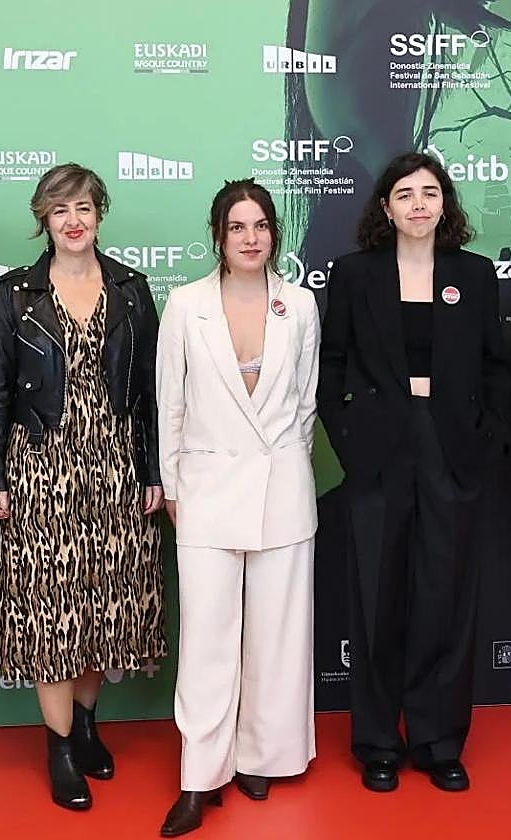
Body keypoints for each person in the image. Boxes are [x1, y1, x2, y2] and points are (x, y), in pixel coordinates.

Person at [0, 163, 166, 809]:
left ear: (99, 212)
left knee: (105, 604)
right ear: (44, 219)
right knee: (50, 609)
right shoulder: (15, 294)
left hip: (115, 466)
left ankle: (87, 726)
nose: (74, 219)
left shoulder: (133, 290)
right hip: (42, 467)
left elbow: (150, 396)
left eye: (84, 206)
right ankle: (59, 748)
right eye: (60, 209)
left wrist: (152, 472)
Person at [318, 152, 508, 793]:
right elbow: (331, 367)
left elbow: (496, 367)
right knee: (376, 599)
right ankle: (376, 742)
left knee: (445, 599)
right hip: (378, 455)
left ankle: (437, 741)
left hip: (452, 452)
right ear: (386, 207)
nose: (419, 204)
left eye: (431, 192)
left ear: (445, 203)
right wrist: (350, 443)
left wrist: (485, 441)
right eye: (406, 194)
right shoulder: (353, 276)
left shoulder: (476, 276)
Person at [156, 179, 319, 836]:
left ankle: (259, 755)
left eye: (260, 226)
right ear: (218, 236)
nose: (251, 238)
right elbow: (170, 403)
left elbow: (305, 405)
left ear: (273, 233)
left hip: (282, 488)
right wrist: (173, 485)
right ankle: (200, 776)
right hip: (205, 488)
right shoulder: (186, 304)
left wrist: (286, 467)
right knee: (207, 639)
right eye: (237, 227)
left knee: (277, 637)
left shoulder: (300, 306)